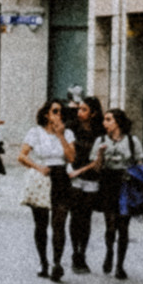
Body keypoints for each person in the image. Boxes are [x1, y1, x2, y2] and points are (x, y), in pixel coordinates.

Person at [17, 100, 73, 279]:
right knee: (41, 223)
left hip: (60, 176)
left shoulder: (68, 133)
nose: (59, 115)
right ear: (46, 114)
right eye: (55, 111)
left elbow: (71, 157)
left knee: (59, 222)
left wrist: (61, 135)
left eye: (61, 112)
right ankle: (43, 262)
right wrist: (37, 167)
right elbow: (22, 156)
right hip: (42, 176)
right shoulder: (35, 132)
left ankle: (57, 262)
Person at [95, 107, 141, 280]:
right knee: (111, 223)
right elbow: (96, 167)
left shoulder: (131, 140)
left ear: (118, 122)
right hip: (108, 182)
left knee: (124, 225)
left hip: (125, 184)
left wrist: (134, 171)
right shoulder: (100, 140)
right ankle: (109, 252)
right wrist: (100, 153)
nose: (104, 122)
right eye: (104, 119)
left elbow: (140, 161)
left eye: (108, 119)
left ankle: (120, 265)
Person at [64, 96, 105, 273]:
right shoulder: (71, 128)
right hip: (75, 174)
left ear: (93, 113)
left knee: (86, 216)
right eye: (79, 109)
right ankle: (75, 252)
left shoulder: (100, 131)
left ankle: (83, 253)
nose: (79, 112)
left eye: (84, 109)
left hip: (92, 176)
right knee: (75, 215)